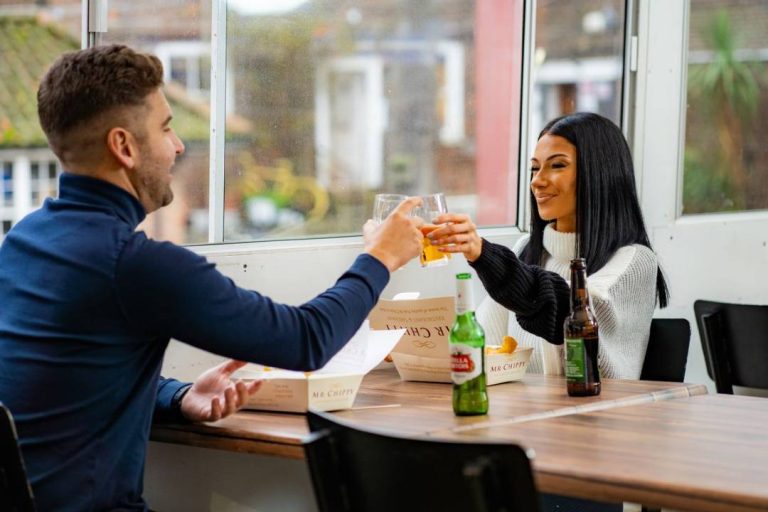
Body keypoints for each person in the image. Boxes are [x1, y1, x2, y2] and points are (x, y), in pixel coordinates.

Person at [0, 44, 423, 512]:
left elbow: (65, 378)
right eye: (165, 127)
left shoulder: (24, 242)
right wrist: (380, 258)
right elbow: (306, 341)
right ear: (123, 146)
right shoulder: (136, 264)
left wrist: (177, 396)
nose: (178, 145)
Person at [430, 112, 668, 380]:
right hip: (527, 414)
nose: (537, 181)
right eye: (535, 168)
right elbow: (483, 339)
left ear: (599, 173)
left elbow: (574, 316)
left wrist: (484, 255)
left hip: (597, 417)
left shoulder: (635, 260)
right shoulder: (527, 251)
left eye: (557, 166)